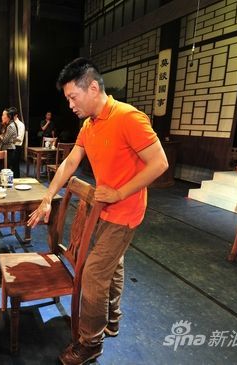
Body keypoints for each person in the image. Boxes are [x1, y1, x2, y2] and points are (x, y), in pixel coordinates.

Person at [28, 58, 168, 365]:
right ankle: (112, 319)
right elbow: (70, 162)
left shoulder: (129, 117)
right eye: (67, 99)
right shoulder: (89, 125)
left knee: (92, 273)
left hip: (126, 210)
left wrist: (119, 192)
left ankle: (91, 343)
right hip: (104, 209)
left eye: (73, 98)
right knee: (112, 265)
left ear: (93, 88)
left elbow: (160, 163)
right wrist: (48, 196)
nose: (70, 105)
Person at [0, 108, 17, 172]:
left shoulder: (11, 126)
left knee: (3, 171)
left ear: (9, 117)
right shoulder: (7, 125)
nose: (2, 117)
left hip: (9, 151)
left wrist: (0, 136)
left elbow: (5, 140)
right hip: (6, 150)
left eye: (3, 115)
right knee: (2, 170)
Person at [10, 107, 25, 178]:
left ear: (16, 115)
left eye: (11, 116)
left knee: (15, 167)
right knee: (9, 167)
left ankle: (16, 181)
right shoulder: (10, 123)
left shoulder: (21, 125)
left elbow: (20, 138)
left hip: (16, 147)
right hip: (9, 147)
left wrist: (9, 139)